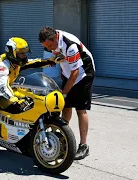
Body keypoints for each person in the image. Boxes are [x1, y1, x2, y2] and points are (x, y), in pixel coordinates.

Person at [0, 37, 56, 135]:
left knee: (28, 101)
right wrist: (13, 99)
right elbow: (2, 87)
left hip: (6, 89)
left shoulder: (16, 62)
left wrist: (51, 61)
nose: (24, 56)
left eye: (24, 53)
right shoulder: (2, 65)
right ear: (12, 53)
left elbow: (34, 63)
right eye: (21, 53)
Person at [38, 26, 96, 160]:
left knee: (81, 109)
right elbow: (60, 60)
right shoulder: (52, 42)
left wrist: (64, 91)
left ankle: (83, 146)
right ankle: (63, 136)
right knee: (65, 105)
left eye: (50, 45)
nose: (49, 49)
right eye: (46, 47)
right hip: (69, 73)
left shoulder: (70, 45)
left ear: (55, 38)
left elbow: (76, 72)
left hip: (83, 73)